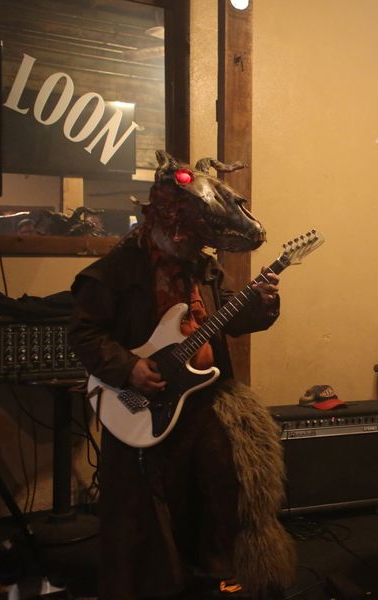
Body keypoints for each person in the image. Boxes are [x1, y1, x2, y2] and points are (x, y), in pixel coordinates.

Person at [68, 151, 295, 599]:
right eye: (189, 238)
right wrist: (129, 367)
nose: (196, 248)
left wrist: (262, 305)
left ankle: (210, 578)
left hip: (203, 402)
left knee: (216, 493)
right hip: (143, 406)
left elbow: (229, 319)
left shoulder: (202, 267)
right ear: (164, 223)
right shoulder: (115, 271)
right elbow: (83, 333)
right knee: (147, 514)